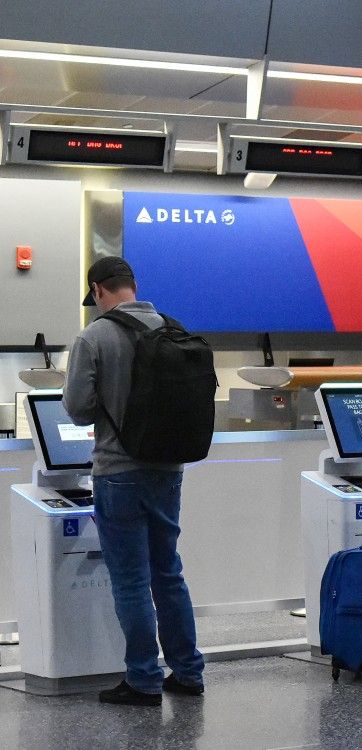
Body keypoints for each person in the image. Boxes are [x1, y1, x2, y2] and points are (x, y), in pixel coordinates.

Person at [64, 256, 204, 706]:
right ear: (133, 286)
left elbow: (78, 409)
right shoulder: (173, 328)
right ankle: (187, 671)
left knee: (129, 579)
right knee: (168, 573)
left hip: (118, 473)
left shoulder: (94, 336)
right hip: (169, 471)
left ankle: (143, 678)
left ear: (99, 290)